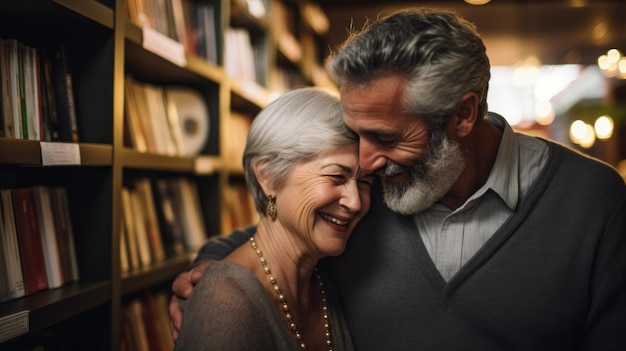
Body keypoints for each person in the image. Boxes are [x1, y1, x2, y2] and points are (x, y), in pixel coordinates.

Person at [170, 8, 626, 350]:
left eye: (384, 136)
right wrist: (212, 276)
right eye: (356, 134)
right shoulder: (365, 198)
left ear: (463, 115)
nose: (365, 162)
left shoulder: (593, 202)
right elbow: (281, 229)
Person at [173, 87, 374, 351]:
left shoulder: (327, 277)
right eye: (336, 176)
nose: (355, 201)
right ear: (267, 175)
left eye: (364, 182)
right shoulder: (224, 298)